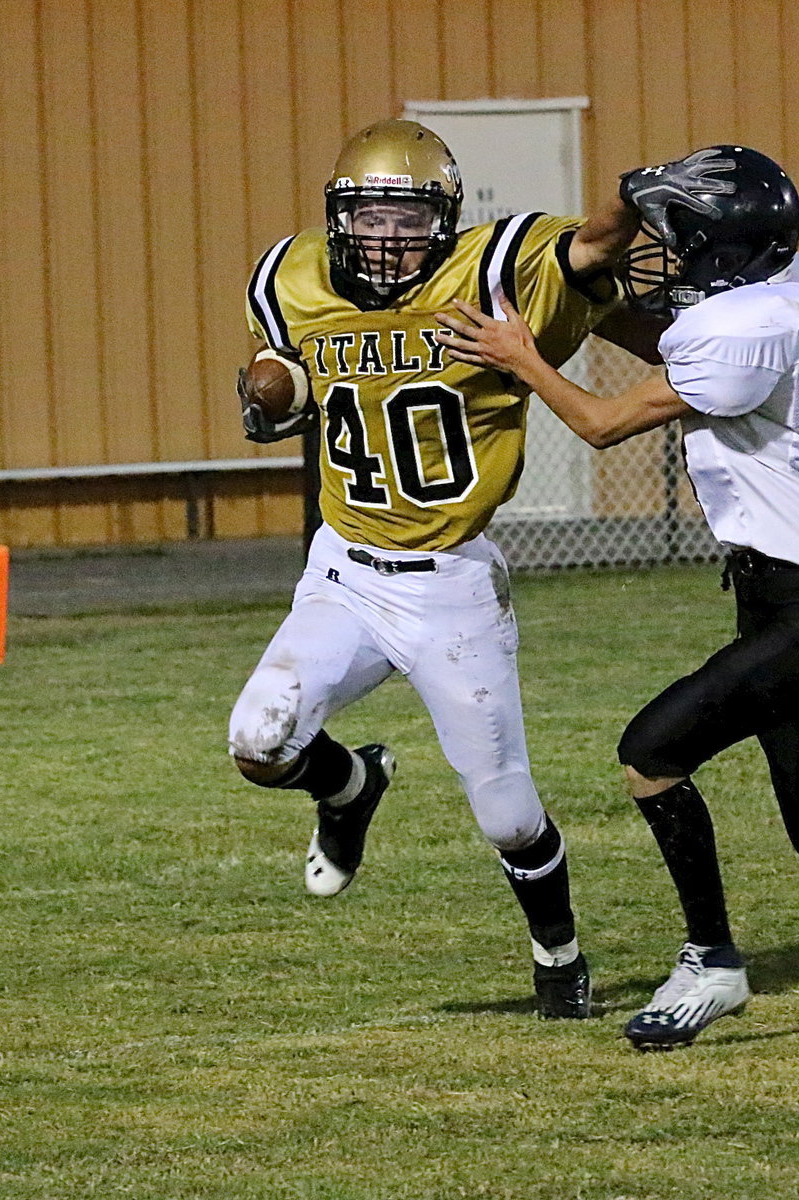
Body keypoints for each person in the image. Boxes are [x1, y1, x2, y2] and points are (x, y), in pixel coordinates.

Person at [434, 145, 799, 1048]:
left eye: (677, 240)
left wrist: (521, 358)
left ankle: (709, 960)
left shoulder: (743, 328)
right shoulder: (786, 287)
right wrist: (577, 306)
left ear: (723, 251)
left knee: (650, 753)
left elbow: (598, 425)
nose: (660, 259)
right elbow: (664, 346)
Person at [228, 118, 638, 1019]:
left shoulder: (492, 269)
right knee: (258, 741)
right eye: (367, 215)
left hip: (450, 579)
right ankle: (350, 786)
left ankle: (559, 957)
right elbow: (281, 368)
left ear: (445, 220)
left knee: (507, 817)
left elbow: (594, 244)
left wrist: (642, 191)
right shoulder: (286, 275)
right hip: (344, 568)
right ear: (337, 217)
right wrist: (269, 393)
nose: (385, 236)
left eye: (407, 218)